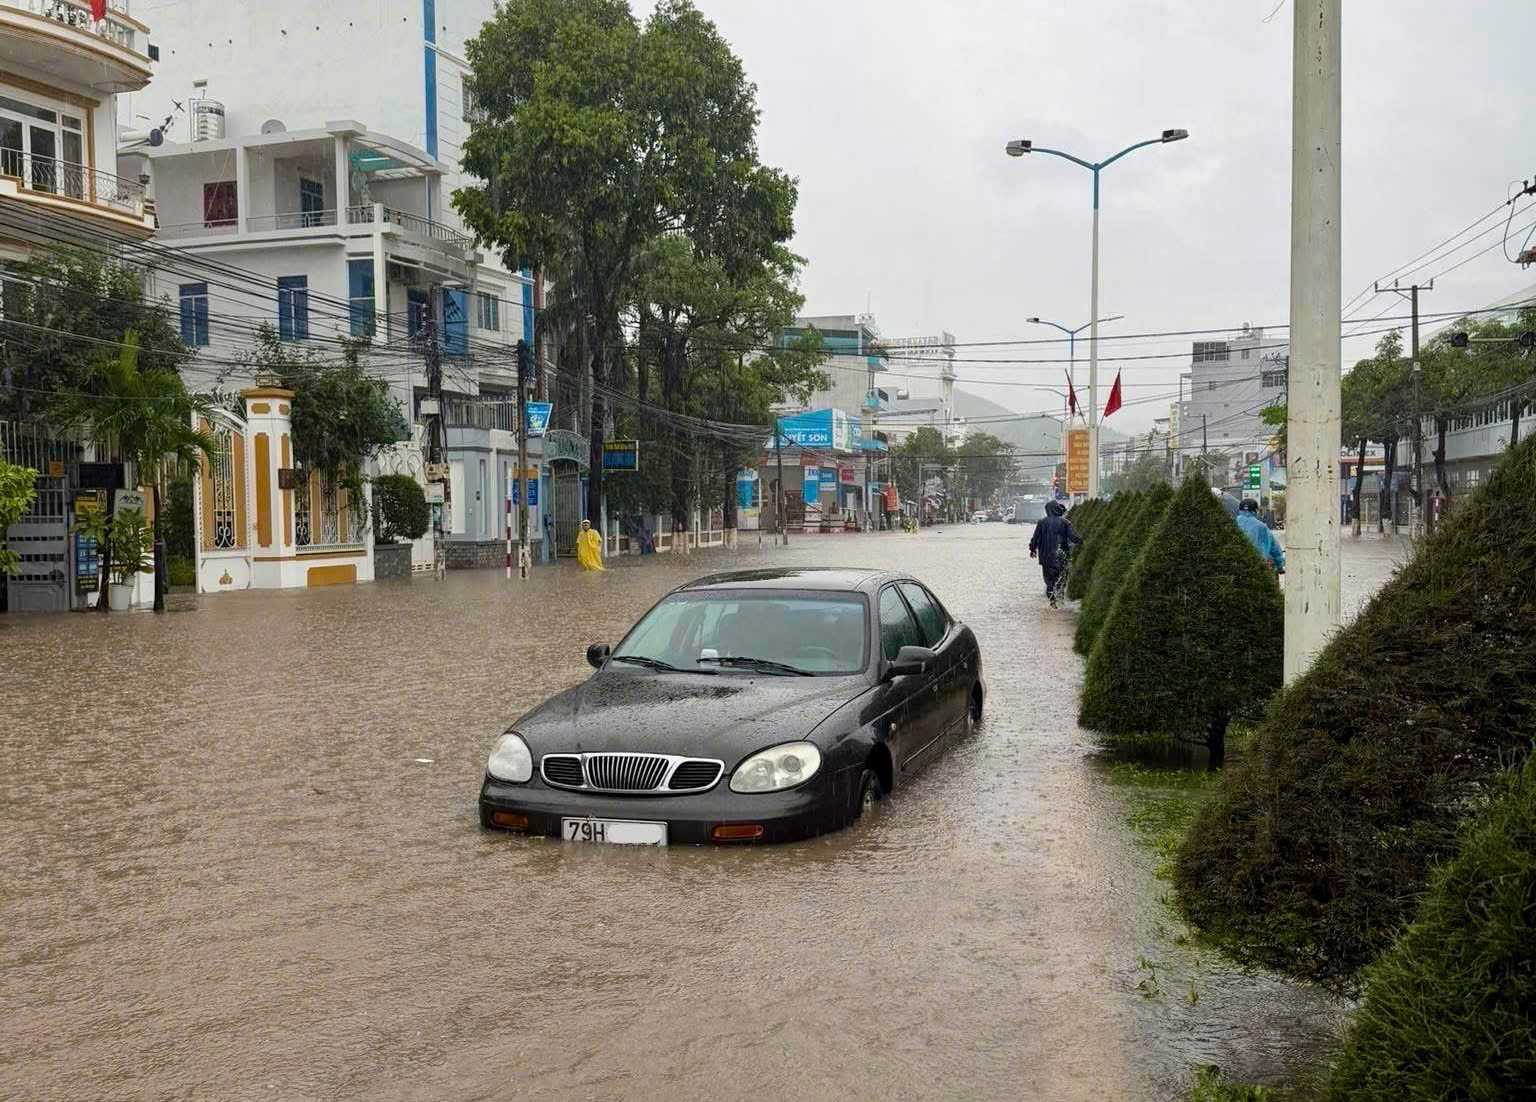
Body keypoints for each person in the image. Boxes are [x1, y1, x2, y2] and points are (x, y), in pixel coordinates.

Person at [1028, 500, 1082, 606]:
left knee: (1049, 581)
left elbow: (1035, 538)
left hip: (1046, 557)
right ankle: (1061, 601)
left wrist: (1032, 549)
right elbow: (1073, 537)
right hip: (1061, 555)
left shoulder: (1042, 522)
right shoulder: (1065, 522)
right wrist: (1083, 542)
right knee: (1061, 579)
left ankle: (1052, 602)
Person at [1236, 499, 1284, 573]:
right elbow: (1275, 548)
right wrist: (1280, 566)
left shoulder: (1231, 523)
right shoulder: (1261, 527)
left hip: (1236, 567)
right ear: (1255, 511)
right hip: (1258, 568)